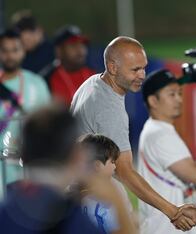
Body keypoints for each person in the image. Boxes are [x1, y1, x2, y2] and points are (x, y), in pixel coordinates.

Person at [70, 36, 195, 231]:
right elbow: (123, 170)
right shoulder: (109, 109)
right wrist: (171, 211)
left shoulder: (93, 83)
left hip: (81, 195)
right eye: (135, 69)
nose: (142, 75)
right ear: (113, 67)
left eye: (144, 67)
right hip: (97, 199)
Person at [138, 69, 196, 234]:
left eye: (179, 93)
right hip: (167, 228)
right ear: (153, 100)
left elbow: (187, 172)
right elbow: (194, 175)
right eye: (172, 94)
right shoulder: (160, 134)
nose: (179, 99)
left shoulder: (158, 129)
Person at [0, 104, 102, 233]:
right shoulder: (72, 219)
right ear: (76, 156)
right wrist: (118, 204)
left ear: (23, 155)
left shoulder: (6, 210)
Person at [0, 29, 50, 164]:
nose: (10, 56)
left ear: (23, 52)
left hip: (26, 167)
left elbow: (47, 125)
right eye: (4, 51)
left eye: (15, 50)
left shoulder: (37, 83)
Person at [77, 133, 137, 234]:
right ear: (97, 165)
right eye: (112, 162)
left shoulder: (117, 186)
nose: (115, 167)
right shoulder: (78, 195)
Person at [43, 25, 95, 106]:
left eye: (82, 45)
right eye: (73, 45)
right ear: (59, 50)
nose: (80, 50)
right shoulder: (46, 79)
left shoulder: (94, 75)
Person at [10, 10, 54, 74]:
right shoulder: (19, 54)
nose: (26, 36)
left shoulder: (53, 52)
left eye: (30, 31)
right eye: (21, 32)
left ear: (39, 31)